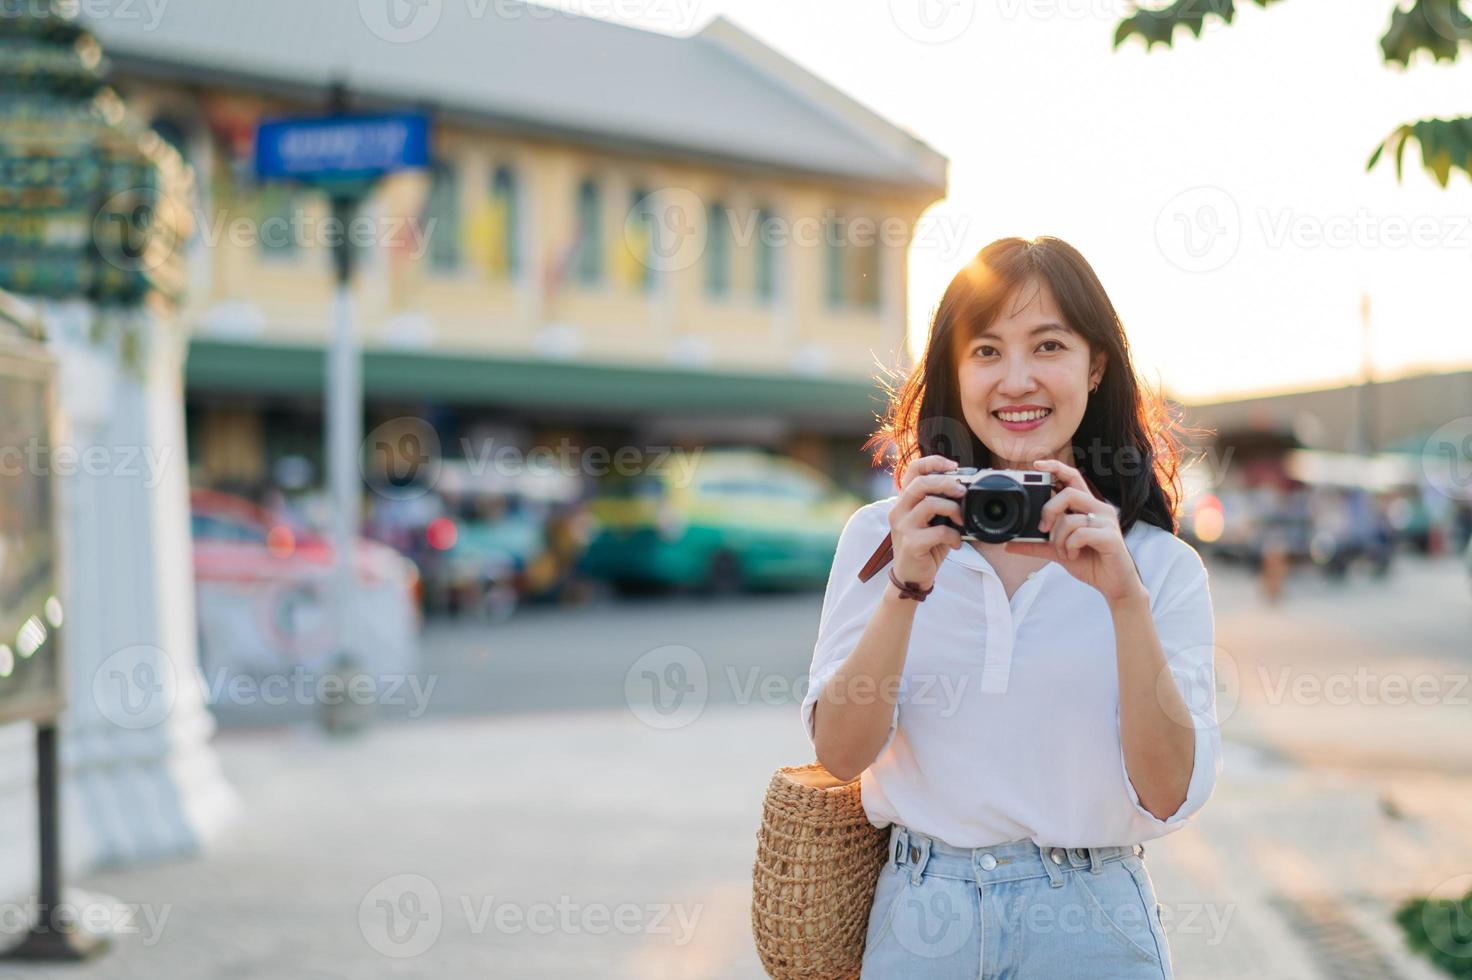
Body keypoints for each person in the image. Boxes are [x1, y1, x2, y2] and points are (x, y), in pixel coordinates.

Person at [802, 237, 1221, 979]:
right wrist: (906, 588)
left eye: (1048, 345)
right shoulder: (882, 538)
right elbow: (839, 755)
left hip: (1089, 916)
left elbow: (1165, 794)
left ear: (1095, 366)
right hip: (921, 914)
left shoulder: (1158, 566)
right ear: (955, 373)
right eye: (986, 351)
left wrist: (1124, 599)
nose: (1016, 379)